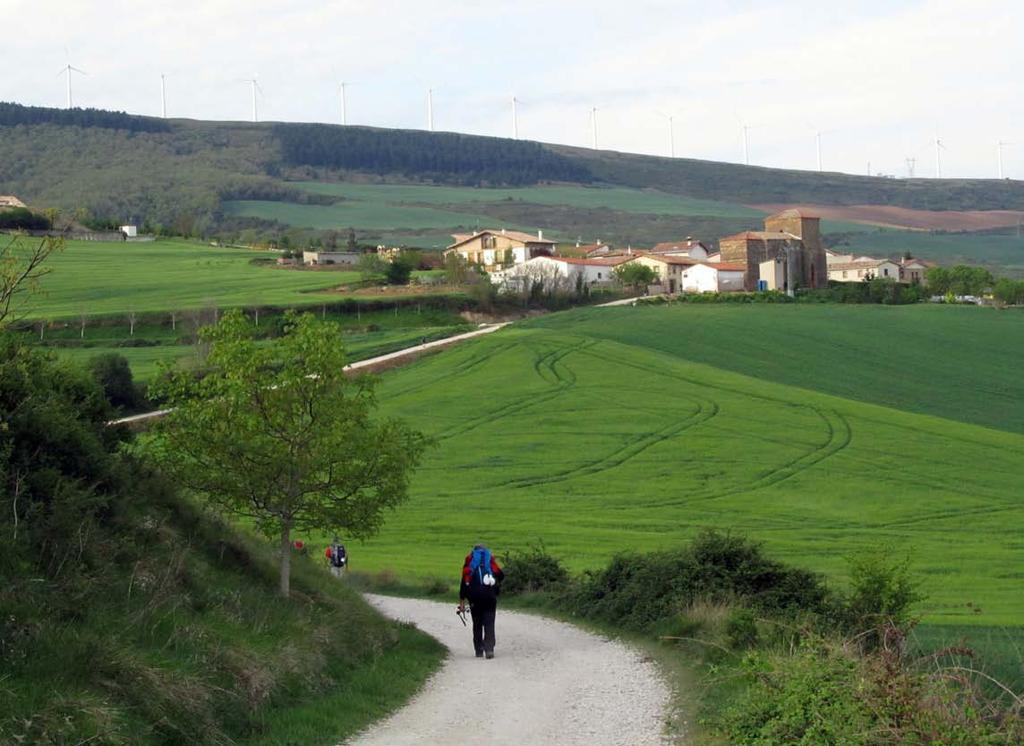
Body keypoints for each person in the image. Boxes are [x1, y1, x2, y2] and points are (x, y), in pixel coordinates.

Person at [458, 544, 504, 659]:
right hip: (490, 597)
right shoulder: (490, 560)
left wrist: (462, 602)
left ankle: (478, 650)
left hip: (474, 598)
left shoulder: (470, 562)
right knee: (489, 622)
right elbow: (501, 575)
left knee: (477, 623)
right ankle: (489, 649)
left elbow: (464, 584)